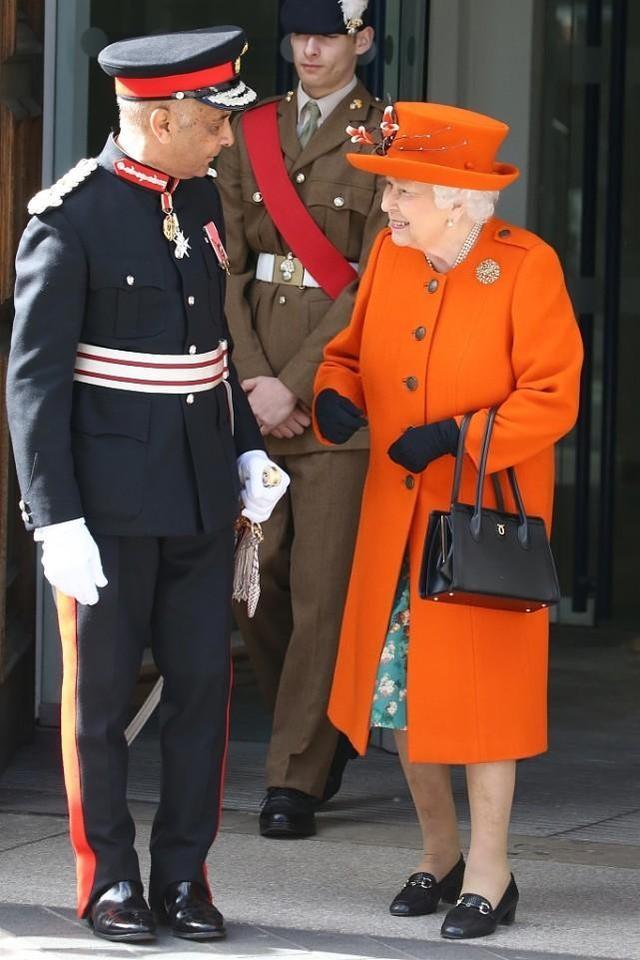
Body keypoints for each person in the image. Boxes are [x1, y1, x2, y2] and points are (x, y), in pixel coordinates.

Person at [6, 27, 289, 944]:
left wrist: (245, 446)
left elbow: (210, 350)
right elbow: (35, 382)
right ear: (160, 115)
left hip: (202, 494)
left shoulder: (200, 194)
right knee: (98, 706)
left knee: (203, 691)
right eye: (213, 122)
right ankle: (110, 882)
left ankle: (183, 879)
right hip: (109, 507)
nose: (224, 139)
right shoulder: (70, 216)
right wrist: (55, 519)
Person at [314, 102, 583, 939]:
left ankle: (493, 874)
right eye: (390, 188)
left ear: (458, 199)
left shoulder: (527, 265)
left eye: (401, 189)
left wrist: (459, 436)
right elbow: (347, 354)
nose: (388, 205)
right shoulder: (392, 258)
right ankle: (441, 855)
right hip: (395, 526)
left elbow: (553, 395)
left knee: (482, 705)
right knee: (399, 700)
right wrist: (334, 394)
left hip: (480, 527)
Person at [216, 0, 387, 838]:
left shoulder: (386, 133)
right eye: (299, 34)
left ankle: (295, 774)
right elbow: (225, 261)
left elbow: (376, 278)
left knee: (322, 590)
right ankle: (322, 726)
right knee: (258, 585)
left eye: (328, 34)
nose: (309, 48)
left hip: (338, 390)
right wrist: (253, 377)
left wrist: (293, 380)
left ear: (363, 40)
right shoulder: (251, 131)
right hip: (255, 390)